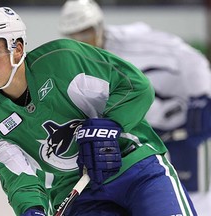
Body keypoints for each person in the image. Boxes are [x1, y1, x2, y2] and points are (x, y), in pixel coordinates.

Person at [0, 7, 197, 216]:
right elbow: (20, 180)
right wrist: (31, 209)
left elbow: (136, 86)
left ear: (17, 48)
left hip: (135, 167)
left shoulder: (64, 60)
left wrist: (111, 124)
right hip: (79, 193)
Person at [59, 0, 211, 192]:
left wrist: (201, 97)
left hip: (185, 122)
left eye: (85, 32)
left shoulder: (134, 40)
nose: (81, 40)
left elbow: (192, 58)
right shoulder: (78, 63)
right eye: (73, 35)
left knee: (196, 195)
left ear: (99, 26)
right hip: (149, 134)